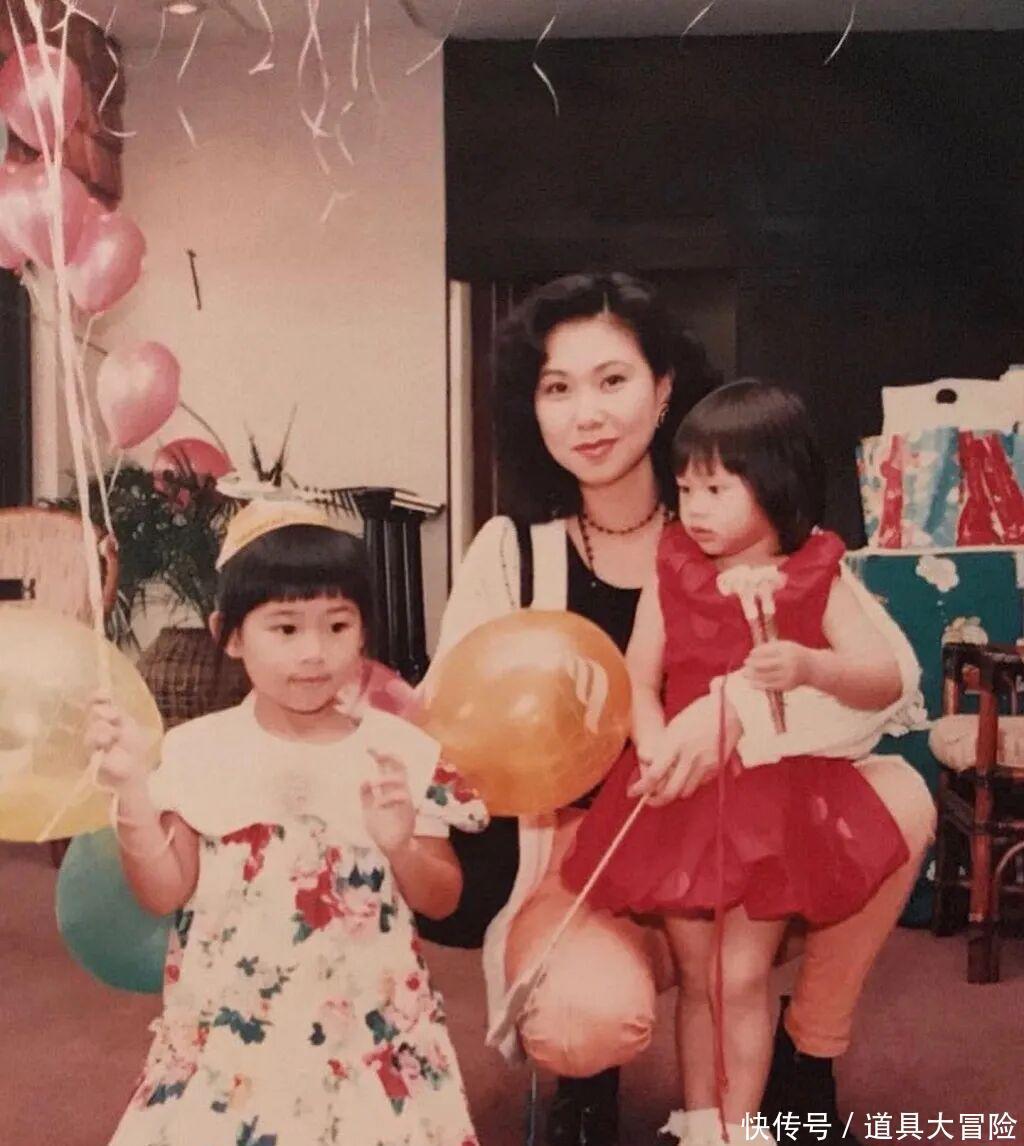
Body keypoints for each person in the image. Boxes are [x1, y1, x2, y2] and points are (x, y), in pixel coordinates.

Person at [430, 272, 935, 1146]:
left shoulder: (752, 529)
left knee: (904, 798)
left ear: (664, 389)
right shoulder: (512, 553)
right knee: (584, 1020)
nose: (587, 414)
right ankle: (588, 1073)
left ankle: (807, 1054)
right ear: (530, 406)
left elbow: (894, 685)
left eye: (612, 380)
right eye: (557, 388)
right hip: (595, 858)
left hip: (749, 834)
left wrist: (737, 711)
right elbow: (455, 718)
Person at [562, 380, 913, 1144]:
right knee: (701, 980)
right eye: (686, 488)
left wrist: (813, 667)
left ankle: (739, 1127)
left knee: (741, 976)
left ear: (776, 483)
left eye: (716, 489)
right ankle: (702, 1125)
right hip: (680, 798)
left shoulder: (817, 570)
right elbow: (638, 679)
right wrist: (653, 743)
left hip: (770, 804)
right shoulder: (673, 567)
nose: (694, 508)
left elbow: (884, 677)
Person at [86, 499, 488, 1146]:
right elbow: (162, 892)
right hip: (233, 1045)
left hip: (367, 1040)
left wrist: (402, 846)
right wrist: (133, 792)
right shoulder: (197, 751)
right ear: (230, 634)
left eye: (338, 625)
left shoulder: (399, 752)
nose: (314, 653)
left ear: (364, 632)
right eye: (285, 628)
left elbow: (443, 898)